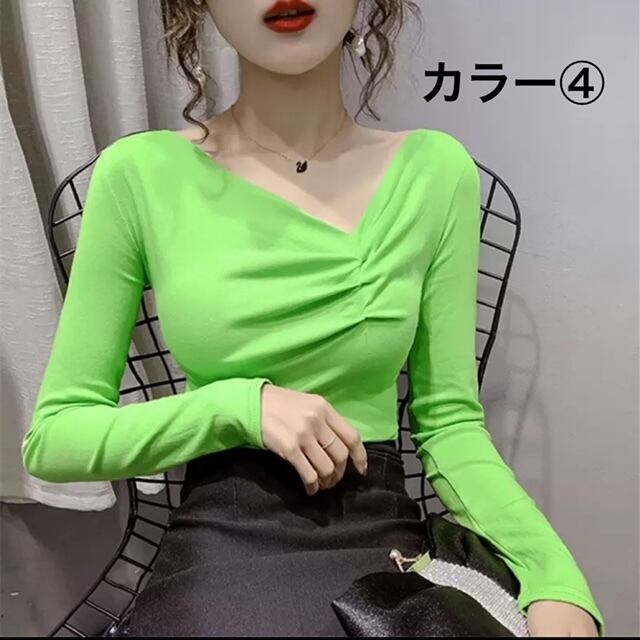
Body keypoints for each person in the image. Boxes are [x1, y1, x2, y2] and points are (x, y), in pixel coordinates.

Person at [22, 0, 603, 636]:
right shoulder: (141, 175)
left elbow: (449, 423)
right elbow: (55, 438)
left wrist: (555, 580)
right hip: (224, 540)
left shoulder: (436, 172)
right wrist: (238, 408)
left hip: (377, 545)